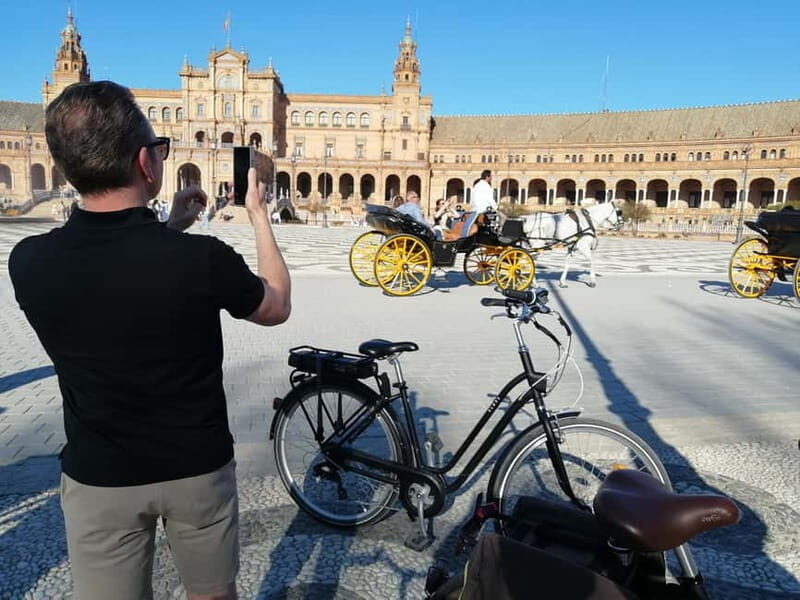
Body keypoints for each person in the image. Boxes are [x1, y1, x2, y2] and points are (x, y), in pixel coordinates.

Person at [8, 80, 291, 600]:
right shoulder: (201, 260)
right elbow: (275, 305)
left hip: (100, 477)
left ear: (68, 169)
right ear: (147, 162)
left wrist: (170, 227)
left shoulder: (28, 262)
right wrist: (258, 216)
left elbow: (114, 270)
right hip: (195, 470)